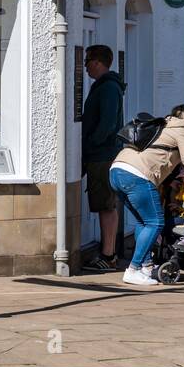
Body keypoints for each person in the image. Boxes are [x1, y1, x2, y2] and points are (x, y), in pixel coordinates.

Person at [109, 104, 184, 286]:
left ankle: (145, 267)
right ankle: (133, 269)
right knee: (155, 222)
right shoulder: (182, 130)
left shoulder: (162, 126)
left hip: (117, 170)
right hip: (137, 175)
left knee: (144, 222)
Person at [80, 44, 126, 272]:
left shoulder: (107, 88)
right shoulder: (106, 86)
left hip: (103, 155)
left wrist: (92, 143)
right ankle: (107, 253)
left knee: (106, 205)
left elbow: (107, 123)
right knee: (104, 205)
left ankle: (108, 255)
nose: (85, 67)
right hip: (102, 153)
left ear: (97, 62)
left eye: (87, 62)